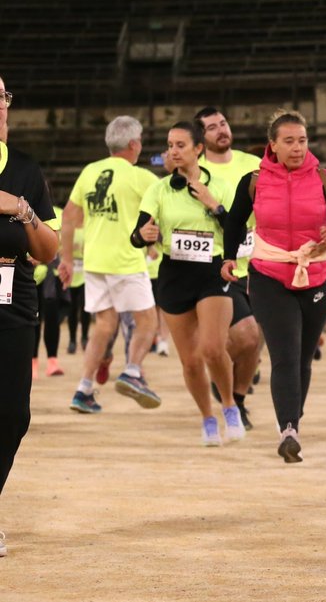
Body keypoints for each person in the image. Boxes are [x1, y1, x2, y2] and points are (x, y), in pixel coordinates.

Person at [222, 109, 326, 463]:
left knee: (302, 358)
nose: (297, 148)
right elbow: (235, 222)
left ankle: (293, 421)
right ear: (273, 145)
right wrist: (227, 259)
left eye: (302, 140)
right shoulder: (253, 181)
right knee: (284, 355)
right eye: (289, 141)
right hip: (269, 274)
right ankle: (289, 430)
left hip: (316, 274)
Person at [132, 121, 245, 445]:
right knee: (191, 361)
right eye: (170, 145)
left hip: (212, 272)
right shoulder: (159, 189)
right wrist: (144, 235)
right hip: (174, 275)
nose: (173, 151)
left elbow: (238, 232)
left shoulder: (221, 186)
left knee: (212, 347)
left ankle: (229, 405)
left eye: (180, 145)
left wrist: (215, 205)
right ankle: (208, 418)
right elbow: (137, 235)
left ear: (198, 149)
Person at [58, 116, 162, 414]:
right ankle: (132, 372)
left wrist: (66, 259)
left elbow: (68, 217)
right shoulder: (141, 177)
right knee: (148, 321)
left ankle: (84, 389)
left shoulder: (90, 172)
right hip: (126, 260)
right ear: (133, 144)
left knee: (104, 326)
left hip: (94, 262)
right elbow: (161, 213)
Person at [0, 76, 61, 557]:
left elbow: (47, 250)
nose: (0, 106)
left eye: (1, 97)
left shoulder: (24, 169)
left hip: (12, 291)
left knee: (14, 415)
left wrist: (20, 209)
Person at [196, 107, 263, 429]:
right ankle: (234, 399)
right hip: (220, 264)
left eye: (223, 123)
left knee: (255, 339)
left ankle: (230, 384)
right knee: (248, 336)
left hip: (261, 261)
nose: (221, 130)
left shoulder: (254, 165)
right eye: (211, 127)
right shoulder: (196, 171)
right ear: (202, 138)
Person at [30, 205, 66, 378]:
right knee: (32, 322)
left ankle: (53, 361)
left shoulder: (58, 213)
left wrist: (43, 257)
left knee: (52, 320)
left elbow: (61, 246)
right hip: (28, 277)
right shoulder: (20, 209)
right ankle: (33, 362)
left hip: (51, 277)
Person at [65, 227, 89, 354]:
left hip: (85, 276)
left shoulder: (87, 227)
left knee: (85, 308)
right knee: (72, 310)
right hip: (71, 275)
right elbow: (61, 249)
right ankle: (72, 340)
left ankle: (85, 337)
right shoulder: (68, 229)